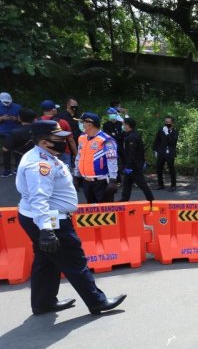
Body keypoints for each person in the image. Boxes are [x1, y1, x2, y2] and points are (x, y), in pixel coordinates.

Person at [16, 120, 126, 315]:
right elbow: (39, 199)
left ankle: (43, 302)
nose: (63, 141)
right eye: (57, 138)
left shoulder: (44, 155)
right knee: (74, 260)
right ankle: (97, 301)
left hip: (41, 217)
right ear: (44, 142)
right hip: (50, 219)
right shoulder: (39, 164)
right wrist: (46, 230)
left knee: (46, 260)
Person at [74, 112, 119, 204]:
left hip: (101, 183)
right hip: (86, 182)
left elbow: (112, 160)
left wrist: (113, 180)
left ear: (90, 124)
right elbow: (79, 157)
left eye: (82, 122)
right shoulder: (82, 137)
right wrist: (76, 176)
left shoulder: (106, 140)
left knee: (105, 213)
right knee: (91, 212)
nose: (81, 125)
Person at [119, 117, 155, 202]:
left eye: (123, 124)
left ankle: (151, 200)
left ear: (127, 125)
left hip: (134, 166)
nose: (122, 125)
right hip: (131, 165)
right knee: (126, 183)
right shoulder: (129, 135)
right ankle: (124, 200)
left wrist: (128, 166)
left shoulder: (132, 137)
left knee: (142, 183)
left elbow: (132, 153)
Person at [38, 100, 77, 168]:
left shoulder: (36, 122)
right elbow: (71, 140)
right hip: (63, 152)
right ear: (53, 110)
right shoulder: (63, 122)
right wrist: (76, 155)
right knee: (65, 175)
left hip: (44, 152)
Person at [153, 115, 179, 191]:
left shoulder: (174, 132)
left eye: (168, 122)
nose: (166, 123)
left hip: (170, 153)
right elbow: (157, 140)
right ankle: (160, 184)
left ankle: (173, 185)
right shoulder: (161, 130)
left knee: (171, 169)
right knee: (158, 168)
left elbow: (172, 142)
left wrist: (167, 133)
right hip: (161, 152)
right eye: (165, 122)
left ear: (172, 123)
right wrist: (155, 150)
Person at [1, 91, 22, 177]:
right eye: (5, 102)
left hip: (16, 131)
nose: (7, 104)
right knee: (6, 151)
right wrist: (1, 118)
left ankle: (18, 168)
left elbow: (24, 119)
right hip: (4, 132)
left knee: (17, 150)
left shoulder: (18, 107)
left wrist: (16, 119)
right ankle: (7, 170)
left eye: (8, 102)